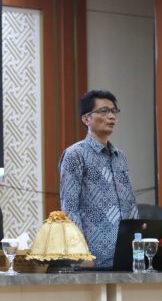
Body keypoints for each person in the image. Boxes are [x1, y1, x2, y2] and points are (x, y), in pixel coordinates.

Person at [59, 89, 138, 267]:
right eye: (104, 111)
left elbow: (131, 205)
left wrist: (139, 246)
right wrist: (81, 254)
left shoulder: (120, 157)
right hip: (94, 258)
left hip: (127, 256)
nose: (111, 116)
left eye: (114, 111)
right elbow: (69, 208)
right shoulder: (75, 155)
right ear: (86, 119)